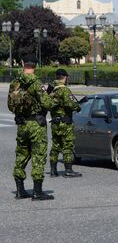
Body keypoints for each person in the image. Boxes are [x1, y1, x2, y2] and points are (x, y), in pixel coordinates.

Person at [8, 55, 54, 200]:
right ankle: (37, 191)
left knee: (21, 154)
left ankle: (20, 190)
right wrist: (49, 95)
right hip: (36, 124)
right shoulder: (36, 83)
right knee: (38, 156)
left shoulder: (14, 83)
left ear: (23, 64)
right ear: (35, 65)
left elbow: (10, 106)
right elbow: (47, 104)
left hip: (22, 124)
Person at [49, 68, 82, 178]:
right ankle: (68, 170)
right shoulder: (64, 90)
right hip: (65, 123)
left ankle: (53, 170)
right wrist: (78, 107)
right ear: (64, 77)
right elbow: (71, 104)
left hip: (55, 122)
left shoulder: (51, 89)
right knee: (67, 145)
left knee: (55, 146)